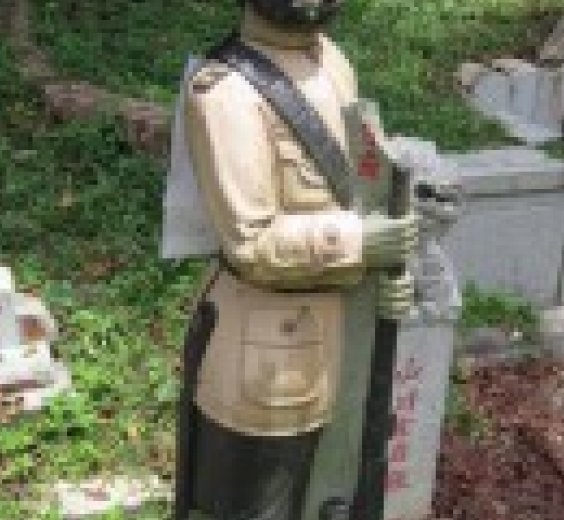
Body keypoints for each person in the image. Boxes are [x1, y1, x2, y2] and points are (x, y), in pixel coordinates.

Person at [176, 1, 417, 518]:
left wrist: (381, 273)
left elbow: (362, 185)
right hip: (267, 358)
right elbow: (252, 241)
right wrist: (360, 244)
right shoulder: (226, 94)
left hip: (342, 337)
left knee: (332, 493)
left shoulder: (331, 60)